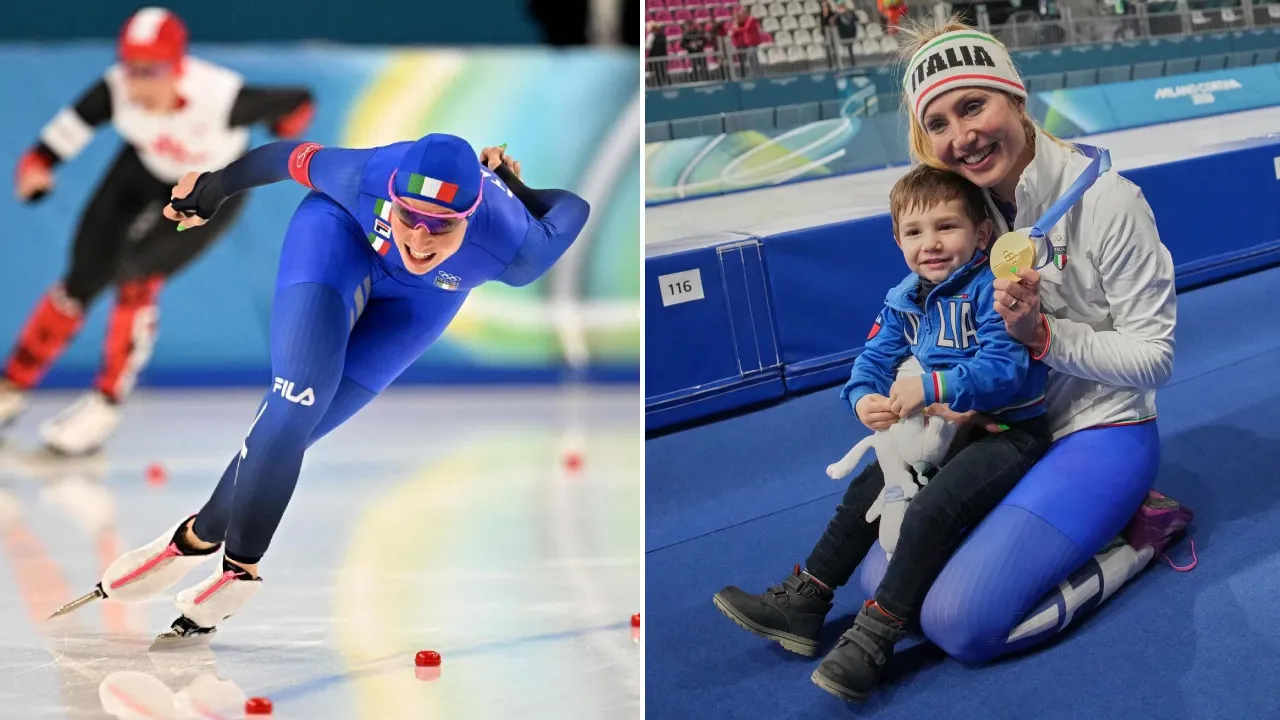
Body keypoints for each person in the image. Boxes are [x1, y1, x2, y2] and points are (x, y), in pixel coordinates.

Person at [712, 17, 1187, 701]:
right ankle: (814, 598)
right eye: (937, 122)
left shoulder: (1110, 204)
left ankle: (1139, 534)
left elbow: (1156, 358)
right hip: (992, 424)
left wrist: (1046, 340)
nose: (960, 136)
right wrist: (905, 387)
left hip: (1096, 430)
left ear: (1015, 99)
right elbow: (926, 320)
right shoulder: (966, 213)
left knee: (962, 626)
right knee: (891, 585)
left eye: (973, 105)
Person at [47, 132, 590, 646]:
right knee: (297, 397)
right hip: (337, 241)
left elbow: (573, 208)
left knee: (300, 427)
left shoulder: (516, 248)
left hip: (422, 303)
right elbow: (287, 159)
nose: (419, 239)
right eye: (409, 217)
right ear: (394, 195)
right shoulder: (368, 174)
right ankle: (239, 569)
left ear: (470, 217)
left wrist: (517, 188)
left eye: (441, 226)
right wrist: (211, 191)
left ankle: (198, 535)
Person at [715, 165, 1054, 701]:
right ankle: (806, 598)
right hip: (937, 434)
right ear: (897, 240)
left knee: (932, 508)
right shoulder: (904, 298)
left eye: (947, 228)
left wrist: (935, 387)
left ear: (981, 235)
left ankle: (876, 634)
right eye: (915, 233)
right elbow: (870, 362)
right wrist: (864, 399)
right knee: (866, 490)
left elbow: (1005, 371)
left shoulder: (995, 290)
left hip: (1007, 430)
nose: (931, 244)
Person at [1, 7, 315, 456]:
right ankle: (11, 387)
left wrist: (285, 125)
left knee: (136, 275)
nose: (138, 84)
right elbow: (71, 126)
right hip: (142, 168)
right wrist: (38, 164)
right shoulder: (116, 89)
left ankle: (105, 404)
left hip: (207, 186)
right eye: (131, 68)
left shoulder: (222, 97)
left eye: (151, 71)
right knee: (81, 276)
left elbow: (299, 98)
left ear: (179, 67)